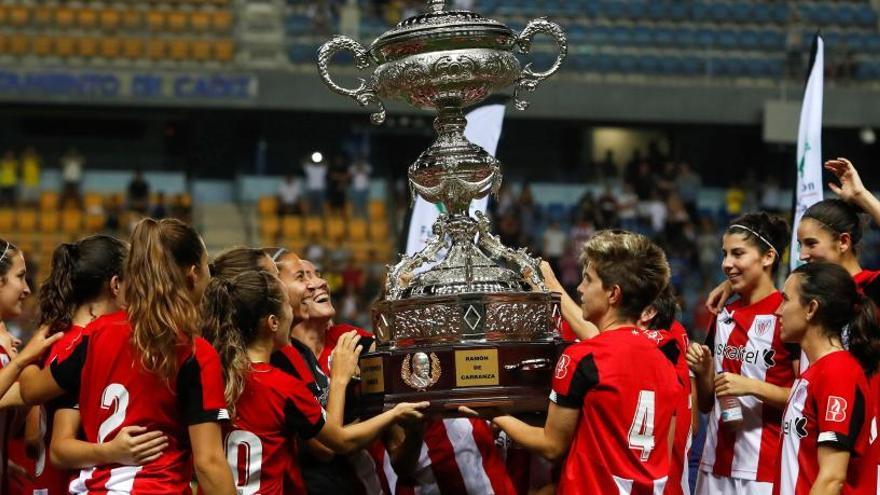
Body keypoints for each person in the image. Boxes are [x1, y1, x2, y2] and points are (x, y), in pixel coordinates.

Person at [18, 219, 236, 494]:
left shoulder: (94, 334)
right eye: (207, 267)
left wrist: (30, 357)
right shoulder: (195, 351)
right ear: (193, 274)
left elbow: (31, 391)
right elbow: (209, 463)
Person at [484, 230, 680, 494]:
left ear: (613, 294)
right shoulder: (666, 363)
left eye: (588, 280)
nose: (580, 288)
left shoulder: (583, 358)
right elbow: (663, 453)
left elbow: (552, 446)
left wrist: (494, 414)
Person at [201, 271, 427, 494]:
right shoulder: (284, 386)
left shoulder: (214, 376)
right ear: (273, 322)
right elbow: (338, 440)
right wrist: (393, 412)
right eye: (288, 307)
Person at [687, 213, 798, 495]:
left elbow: (806, 399)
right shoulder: (722, 313)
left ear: (767, 257)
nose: (726, 264)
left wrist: (751, 387)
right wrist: (702, 373)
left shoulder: (787, 316)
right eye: (725, 254)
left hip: (764, 469)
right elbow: (706, 405)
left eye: (738, 253)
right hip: (712, 465)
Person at [19, 235, 133, 495]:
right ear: (115, 285)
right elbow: (58, 442)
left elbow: (32, 431)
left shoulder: (62, 338)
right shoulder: (85, 344)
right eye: (132, 280)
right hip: (65, 485)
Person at [775, 262, 877, 494]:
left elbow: (832, 479)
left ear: (811, 308)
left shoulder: (837, 373)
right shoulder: (815, 371)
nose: (778, 310)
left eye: (786, 300)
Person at [0, 239, 66, 491]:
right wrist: (24, 360)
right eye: (20, 276)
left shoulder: (6, 344)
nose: (27, 289)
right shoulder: (14, 354)